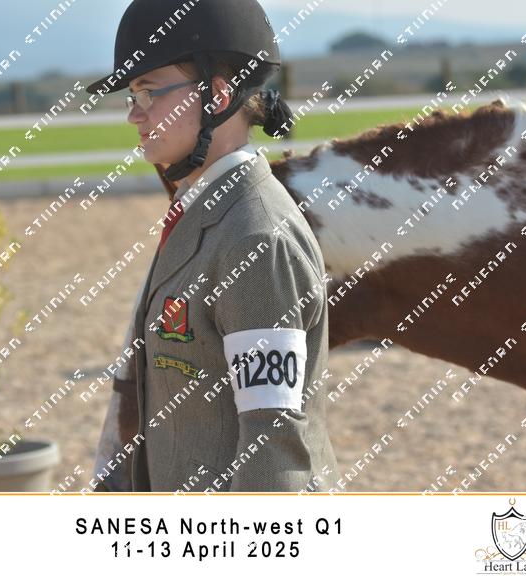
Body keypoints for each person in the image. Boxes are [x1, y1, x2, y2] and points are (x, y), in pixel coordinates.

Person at [86, 0, 341, 492]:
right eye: (132, 96)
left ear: (218, 95)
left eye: (148, 92)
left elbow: (273, 442)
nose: (134, 115)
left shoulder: (256, 239)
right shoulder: (201, 211)